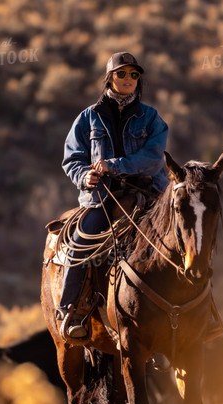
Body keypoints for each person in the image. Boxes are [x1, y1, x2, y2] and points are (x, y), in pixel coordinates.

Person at [57, 51, 170, 340]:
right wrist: (85, 176)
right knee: (81, 243)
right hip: (102, 198)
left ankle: (198, 315)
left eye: (134, 75)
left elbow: (154, 158)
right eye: (122, 73)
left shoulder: (152, 117)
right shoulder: (88, 117)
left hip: (147, 194)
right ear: (110, 77)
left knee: (181, 238)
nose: (129, 79)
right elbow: (72, 159)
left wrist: (113, 165)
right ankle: (71, 311)